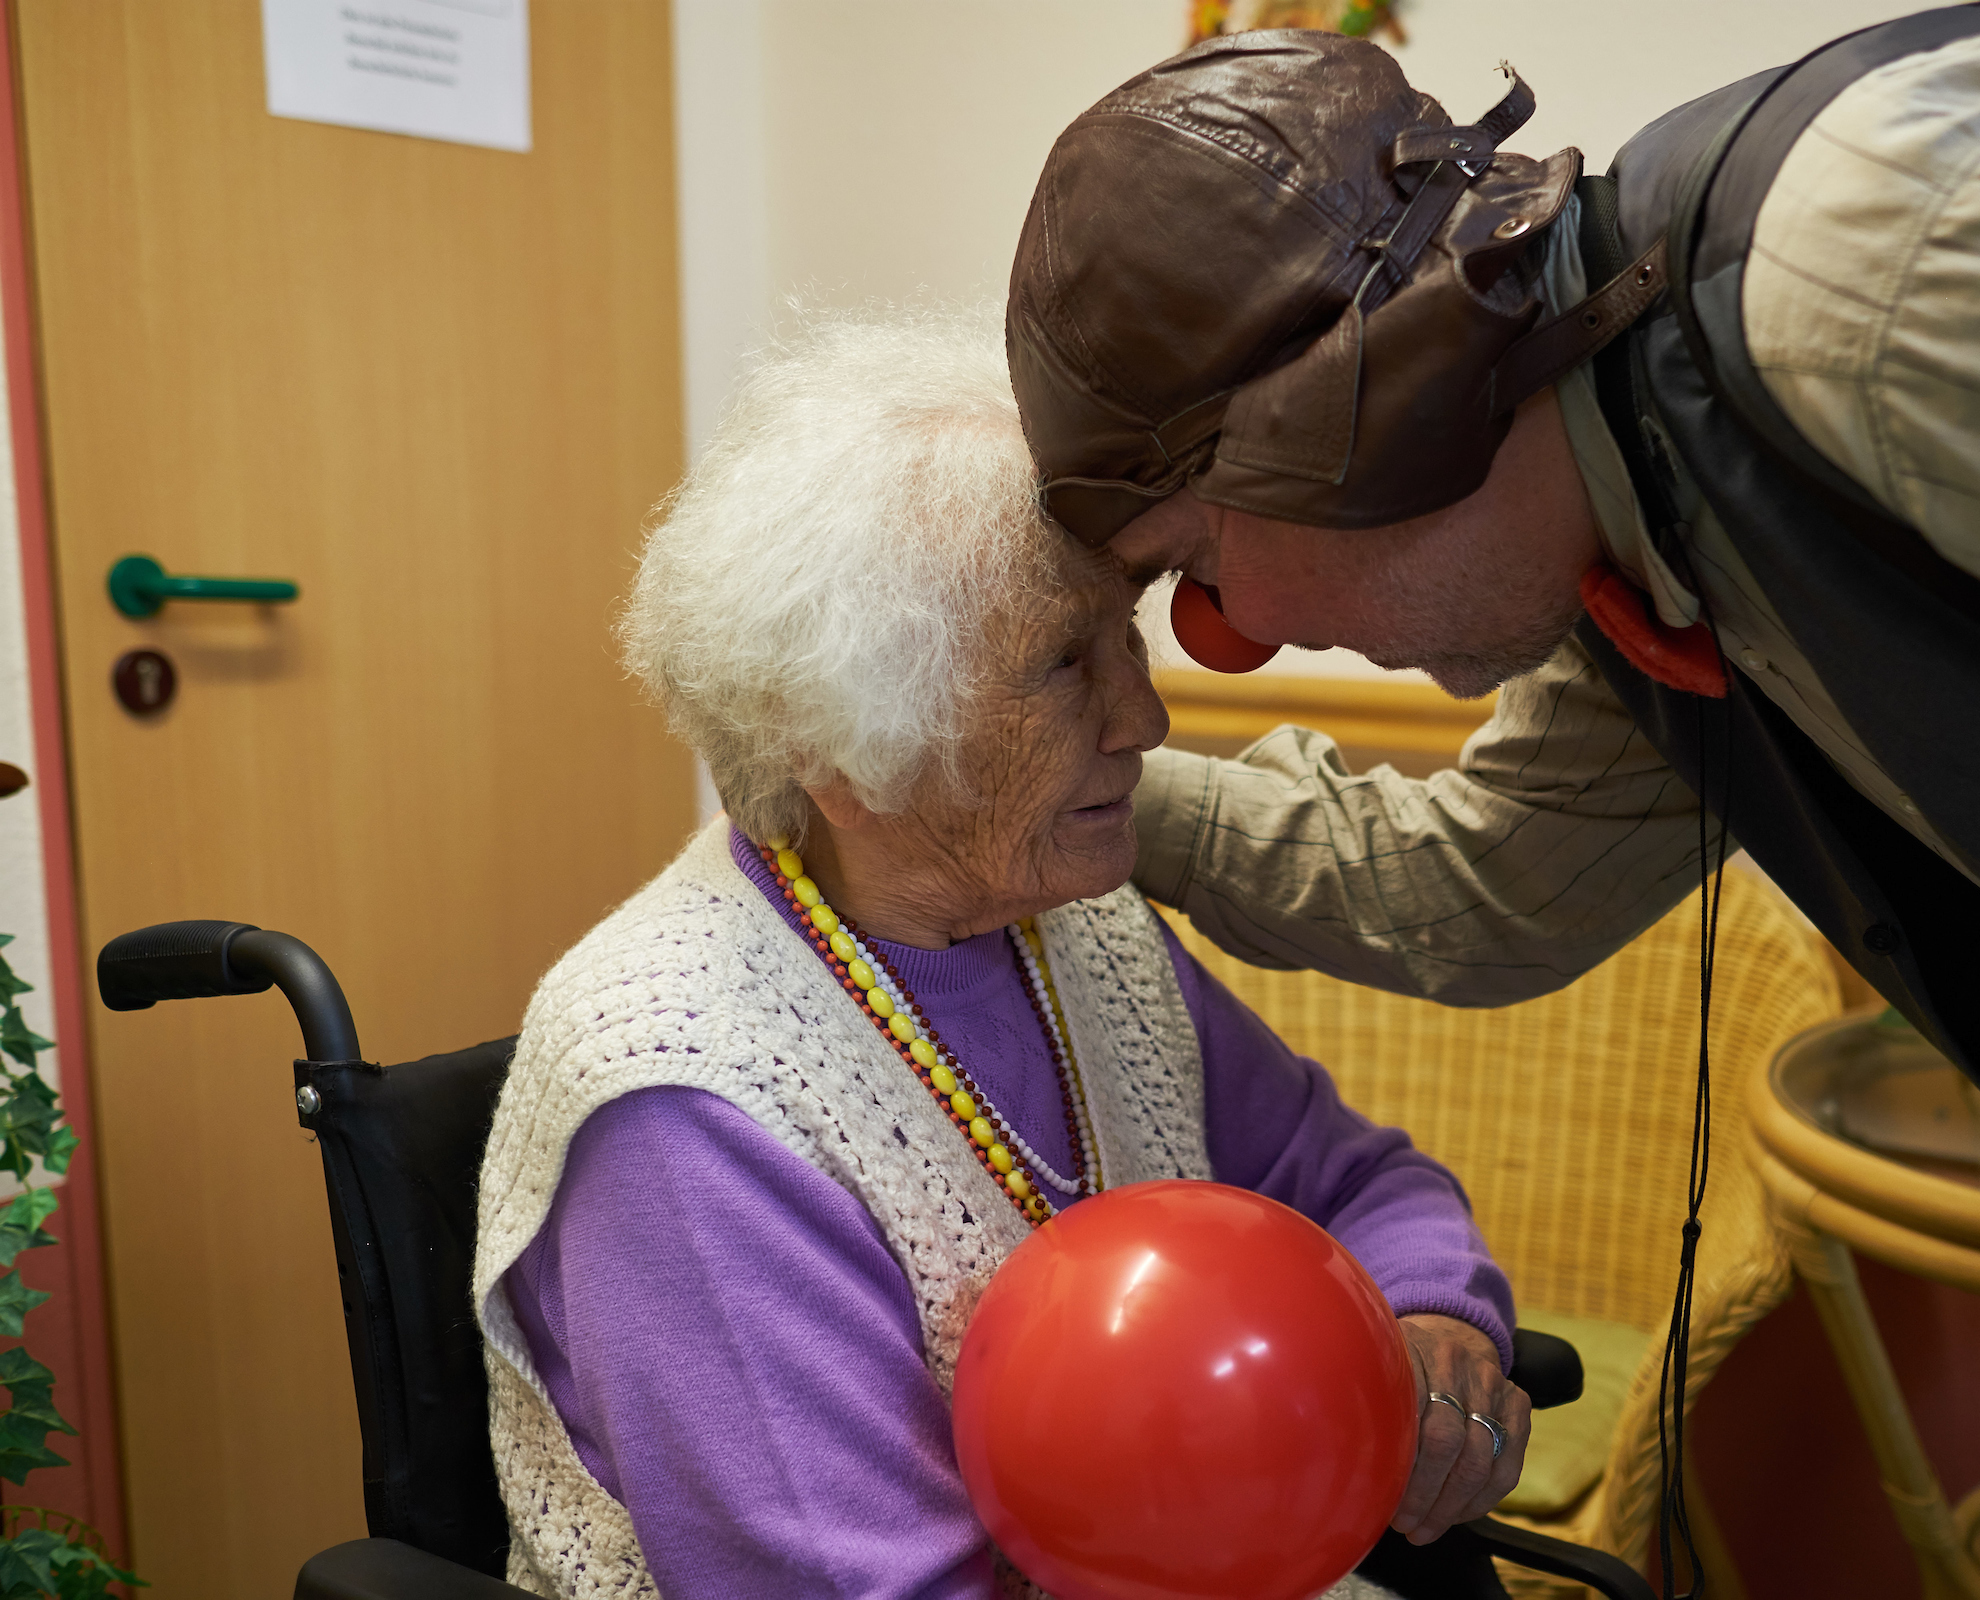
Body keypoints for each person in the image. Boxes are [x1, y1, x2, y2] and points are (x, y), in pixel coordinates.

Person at [1003, 5, 1980, 1592]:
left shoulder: (1879, 267)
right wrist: (1081, 794)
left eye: (1189, 563)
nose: (1226, 641)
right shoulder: (1638, 555)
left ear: (1326, 424)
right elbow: (1470, 890)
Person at [469, 311, 1532, 1600]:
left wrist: (1429, 1315)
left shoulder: (1071, 927)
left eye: (1123, 636)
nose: (1144, 716)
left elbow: (1357, 1180)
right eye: (1061, 665)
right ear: (851, 752)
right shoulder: (685, 1101)